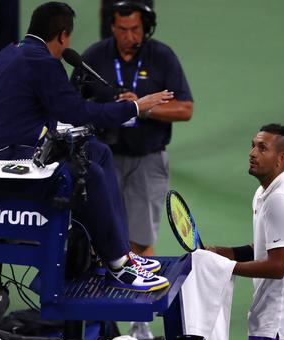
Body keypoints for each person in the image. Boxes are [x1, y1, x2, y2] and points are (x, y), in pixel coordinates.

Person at [0, 2, 174, 292]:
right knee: (86, 172)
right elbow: (76, 112)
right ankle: (118, 264)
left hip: (10, 146)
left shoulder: (8, 53)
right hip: (8, 159)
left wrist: (27, 117)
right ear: (63, 36)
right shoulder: (43, 62)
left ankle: (119, 248)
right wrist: (134, 107)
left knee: (98, 152)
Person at [72, 0, 193, 258]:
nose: (130, 36)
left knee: (139, 243)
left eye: (136, 29)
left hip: (147, 162)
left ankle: (138, 296)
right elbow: (72, 107)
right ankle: (99, 297)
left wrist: (142, 108)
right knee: (99, 239)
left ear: (145, 27)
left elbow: (185, 109)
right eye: (123, 29)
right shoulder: (94, 57)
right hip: (104, 160)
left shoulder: (162, 57)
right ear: (112, 27)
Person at [208, 124, 284, 340]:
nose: (252, 153)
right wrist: (223, 253)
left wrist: (225, 267)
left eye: (262, 148)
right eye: (253, 145)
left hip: (280, 325)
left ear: (281, 158)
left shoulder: (281, 200)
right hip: (280, 324)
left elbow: (277, 266)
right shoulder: (264, 192)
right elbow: (263, 248)